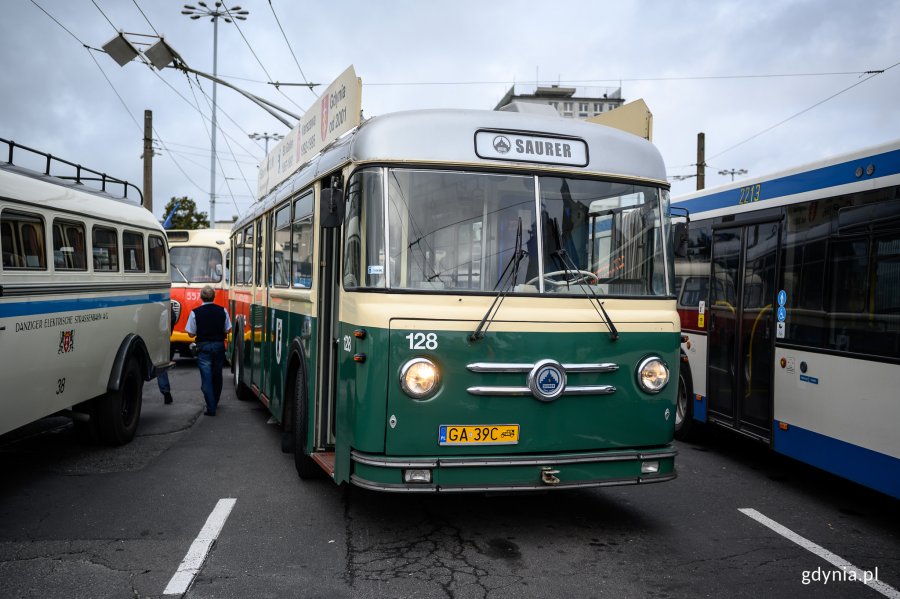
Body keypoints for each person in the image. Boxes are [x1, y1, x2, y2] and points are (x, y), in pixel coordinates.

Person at [185, 285, 231, 416]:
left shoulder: (195, 312)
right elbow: (228, 329)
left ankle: (211, 407)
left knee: (206, 378)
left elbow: (190, 333)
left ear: (201, 297)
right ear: (214, 297)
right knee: (217, 375)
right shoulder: (222, 311)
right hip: (218, 346)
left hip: (203, 347)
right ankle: (214, 401)